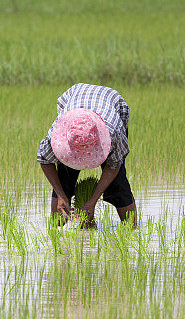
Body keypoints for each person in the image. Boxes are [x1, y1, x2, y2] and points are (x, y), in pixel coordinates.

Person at [37, 83, 137, 227]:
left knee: (118, 183)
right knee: (64, 177)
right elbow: (44, 159)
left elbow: (114, 165)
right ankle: (56, 232)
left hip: (111, 105)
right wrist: (61, 196)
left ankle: (132, 231)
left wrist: (92, 202)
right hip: (75, 99)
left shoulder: (113, 133)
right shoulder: (58, 131)